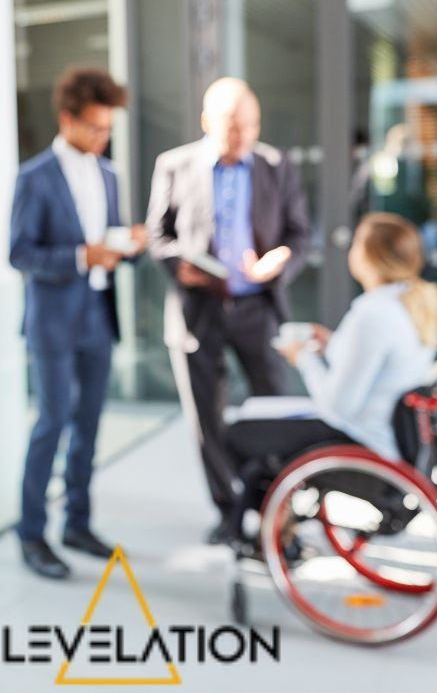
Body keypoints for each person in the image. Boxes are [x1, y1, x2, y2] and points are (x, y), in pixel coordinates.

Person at [146, 77, 308, 544]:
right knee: (207, 420)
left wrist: (282, 260)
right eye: (232, 128)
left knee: (276, 412)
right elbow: (159, 237)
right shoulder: (173, 165)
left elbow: (300, 235)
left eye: (250, 127)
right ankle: (228, 512)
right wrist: (180, 267)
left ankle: (282, 513)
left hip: (259, 310)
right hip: (200, 312)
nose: (242, 137)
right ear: (205, 122)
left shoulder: (277, 165)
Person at [10, 67, 147, 579]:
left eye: (108, 128)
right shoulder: (35, 176)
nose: (102, 137)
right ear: (67, 119)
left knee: (89, 424)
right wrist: (80, 257)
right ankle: (30, 533)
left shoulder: (108, 174)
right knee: (52, 423)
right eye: (94, 127)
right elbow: (20, 253)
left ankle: (78, 523)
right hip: (52, 319)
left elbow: (105, 243)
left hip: (96, 315)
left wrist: (126, 245)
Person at [224, 212, 437, 523]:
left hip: (362, 442)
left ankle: (271, 528)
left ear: (369, 257)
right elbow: (382, 364)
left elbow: (336, 406)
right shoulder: (413, 303)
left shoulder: (372, 314)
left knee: (238, 434)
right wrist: (334, 343)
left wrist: (303, 358)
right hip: (392, 438)